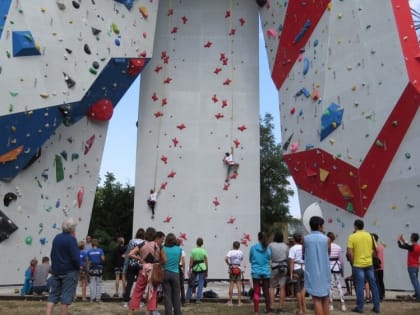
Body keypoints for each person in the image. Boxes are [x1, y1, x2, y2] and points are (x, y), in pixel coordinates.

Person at [128, 227, 167, 315]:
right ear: (155, 235)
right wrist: (158, 264)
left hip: (143, 270)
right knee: (152, 294)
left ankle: (130, 313)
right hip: (154, 271)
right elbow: (165, 260)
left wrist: (140, 258)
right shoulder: (159, 246)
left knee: (137, 292)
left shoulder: (142, 244)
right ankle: (148, 313)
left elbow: (130, 254)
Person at [46, 218, 80, 315]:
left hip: (57, 270)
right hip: (69, 271)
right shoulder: (72, 240)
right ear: (72, 229)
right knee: (66, 296)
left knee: (53, 295)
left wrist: (55, 267)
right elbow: (75, 258)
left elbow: (52, 254)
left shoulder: (57, 238)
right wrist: (79, 267)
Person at [346, 219, 380, 313]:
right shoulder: (370, 235)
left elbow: (349, 252)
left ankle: (360, 307)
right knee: (373, 285)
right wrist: (368, 254)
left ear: (355, 226)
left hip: (357, 264)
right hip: (369, 264)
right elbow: (375, 249)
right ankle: (377, 307)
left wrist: (353, 262)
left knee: (360, 286)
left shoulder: (352, 236)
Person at [304, 216, 331, 315]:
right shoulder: (327, 239)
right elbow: (328, 253)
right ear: (319, 226)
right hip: (324, 271)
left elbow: (304, 253)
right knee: (325, 298)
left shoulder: (306, 239)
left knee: (316, 299)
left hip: (312, 272)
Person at [249, 231, 272, 315]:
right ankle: (268, 311)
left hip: (256, 272)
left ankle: (256, 312)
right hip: (266, 272)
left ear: (258, 237)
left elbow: (250, 259)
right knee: (266, 291)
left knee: (256, 292)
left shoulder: (253, 248)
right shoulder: (268, 248)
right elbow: (269, 258)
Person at [123, 228, 145, 307]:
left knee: (129, 283)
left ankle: (126, 301)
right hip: (140, 265)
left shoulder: (131, 241)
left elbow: (128, 253)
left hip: (131, 264)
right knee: (141, 284)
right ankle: (141, 301)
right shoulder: (144, 242)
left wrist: (125, 267)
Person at [268, 232, 289, 313]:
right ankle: (281, 307)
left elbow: (268, 256)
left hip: (274, 266)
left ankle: (272, 306)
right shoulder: (285, 246)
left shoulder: (271, 245)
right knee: (282, 287)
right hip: (284, 267)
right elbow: (287, 257)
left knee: (272, 287)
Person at [162, 233, 182, 315]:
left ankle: (168, 313)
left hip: (165, 273)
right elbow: (178, 262)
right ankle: (177, 312)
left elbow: (162, 261)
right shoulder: (179, 249)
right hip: (175, 273)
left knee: (167, 296)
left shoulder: (163, 249)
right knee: (176, 295)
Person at [327, 232, 346, 311]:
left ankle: (331, 304)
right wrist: (342, 269)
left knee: (330, 286)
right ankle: (343, 304)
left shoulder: (326, 247)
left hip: (329, 267)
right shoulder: (338, 247)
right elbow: (341, 260)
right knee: (339, 285)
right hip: (337, 266)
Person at [397, 233, 420, 302]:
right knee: (416, 281)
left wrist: (398, 240)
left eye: (411, 237)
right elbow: (408, 245)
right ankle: (417, 293)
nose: (410, 237)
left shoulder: (412, 247)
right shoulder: (418, 246)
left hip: (411, 266)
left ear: (412, 238)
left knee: (415, 282)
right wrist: (403, 240)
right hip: (416, 266)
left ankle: (419, 296)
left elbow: (401, 246)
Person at [186, 237, 208, 304]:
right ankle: (198, 299)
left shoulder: (193, 250)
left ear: (196, 243)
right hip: (202, 268)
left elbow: (191, 261)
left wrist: (190, 269)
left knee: (191, 283)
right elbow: (206, 262)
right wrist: (207, 270)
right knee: (201, 283)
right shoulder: (204, 251)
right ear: (202, 244)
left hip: (195, 268)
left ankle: (188, 299)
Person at [289, 233, 306, 315]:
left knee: (297, 290)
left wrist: (291, 273)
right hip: (305, 268)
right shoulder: (305, 247)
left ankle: (300, 309)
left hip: (296, 268)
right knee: (303, 288)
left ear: (294, 239)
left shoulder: (293, 248)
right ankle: (304, 307)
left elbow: (291, 261)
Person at [225, 240, 244, 306]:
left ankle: (230, 301)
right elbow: (241, 259)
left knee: (231, 285)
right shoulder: (241, 252)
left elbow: (226, 258)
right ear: (239, 246)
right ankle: (239, 302)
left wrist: (229, 264)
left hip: (232, 268)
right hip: (238, 268)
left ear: (233, 246)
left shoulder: (230, 252)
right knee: (239, 285)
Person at [372, 233, 385, 301]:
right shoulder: (381, 246)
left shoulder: (375, 247)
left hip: (376, 266)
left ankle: (379, 296)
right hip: (381, 266)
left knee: (377, 282)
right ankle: (382, 294)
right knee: (381, 281)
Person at [177, 238, 186, 305]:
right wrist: (184, 270)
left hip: (174, 268)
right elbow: (183, 262)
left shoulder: (173, 250)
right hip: (179, 268)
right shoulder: (181, 250)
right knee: (181, 285)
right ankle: (183, 300)